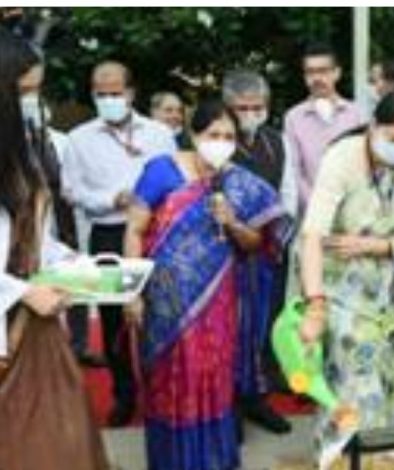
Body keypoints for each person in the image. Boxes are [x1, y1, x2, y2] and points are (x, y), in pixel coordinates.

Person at [124, 99, 291, 470]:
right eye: (213, 134)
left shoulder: (238, 182)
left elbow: (257, 243)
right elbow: (134, 231)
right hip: (164, 303)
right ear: (193, 134)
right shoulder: (161, 171)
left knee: (212, 378)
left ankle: (213, 461)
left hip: (217, 303)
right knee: (172, 381)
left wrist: (232, 221)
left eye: (229, 136)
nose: (221, 141)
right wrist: (132, 293)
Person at [299, 89, 394, 469]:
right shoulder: (342, 158)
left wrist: (380, 246)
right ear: (372, 127)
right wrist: (315, 303)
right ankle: (346, 457)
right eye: (391, 138)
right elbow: (313, 234)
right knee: (354, 379)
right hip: (350, 287)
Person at [0, 29, 108, 470]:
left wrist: (77, 267)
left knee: (56, 443)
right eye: (24, 91)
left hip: (36, 331)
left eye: (36, 89)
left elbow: (36, 242)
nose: (33, 101)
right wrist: (21, 292)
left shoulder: (23, 152)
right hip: (17, 314)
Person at [61, 61, 177, 427]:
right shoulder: (78, 138)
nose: (109, 99)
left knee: (159, 313)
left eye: (115, 92)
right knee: (113, 322)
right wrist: (111, 199)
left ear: (131, 93)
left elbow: (177, 178)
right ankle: (124, 394)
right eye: (101, 93)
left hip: (156, 234)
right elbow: (70, 190)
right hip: (109, 235)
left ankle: (162, 390)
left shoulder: (159, 132)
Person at [223, 69, 298, 434]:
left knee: (267, 325)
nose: (250, 113)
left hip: (269, 252)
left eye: (257, 106)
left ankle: (258, 398)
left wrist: (273, 240)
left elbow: (289, 196)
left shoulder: (278, 142)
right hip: (226, 255)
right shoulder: (217, 141)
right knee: (232, 330)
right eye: (242, 107)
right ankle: (231, 405)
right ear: (228, 108)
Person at [284, 42, 363, 213]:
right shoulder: (293, 117)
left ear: (337, 73)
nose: (317, 78)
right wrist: (318, 205)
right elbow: (294, 170)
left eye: (323, 71)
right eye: (310, 72)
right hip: (312, 213)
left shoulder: (356, 114)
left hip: (353, 210)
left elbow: (365, 163)